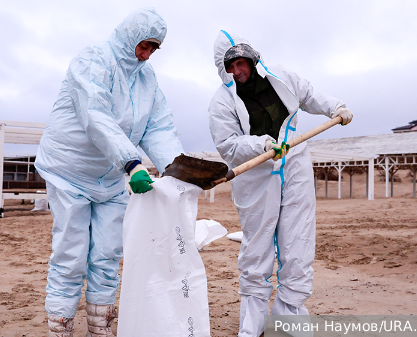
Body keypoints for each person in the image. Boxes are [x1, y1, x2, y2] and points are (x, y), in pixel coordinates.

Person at [35, 8, 184, 337]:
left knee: (107, 253)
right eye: (143, 46)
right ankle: (59, 327)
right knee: (71, 253)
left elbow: (158, 127)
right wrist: (132, 163)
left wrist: (180, 167)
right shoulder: (93, 59)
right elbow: (95, 114)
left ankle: (100, 327)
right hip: (69, 170)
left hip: (112, 177)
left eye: (153, 49)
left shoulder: (147, 79)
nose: (145, 55)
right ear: (130, 37)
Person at [208, 31, 353, 337]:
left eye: (239, 64)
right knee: (256, 250)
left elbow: (309, 94)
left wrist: (335, 108)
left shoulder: (282, 78)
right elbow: (228, 146)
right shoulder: (221, 102)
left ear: (250, 58)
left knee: (298, 243)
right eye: (229, 68)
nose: (236, 72)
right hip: (256, 176)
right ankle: (254, 323)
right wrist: (260, 145)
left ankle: (289, 322)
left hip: (295, 163)